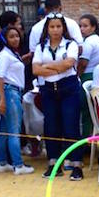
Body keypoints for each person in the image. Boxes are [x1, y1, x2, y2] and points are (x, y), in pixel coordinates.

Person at [32, 13, 83, 180]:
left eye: (58, 27)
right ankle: (54, 163)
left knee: (71, 126)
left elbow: (69, 64)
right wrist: (57, 67)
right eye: (52, 27)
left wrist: (46, 66)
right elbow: (35, 70)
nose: (55, 30)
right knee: (51, 127)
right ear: (47, 28)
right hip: (48, 89)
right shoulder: (41, 46)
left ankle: (76, 164)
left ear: (63, 28)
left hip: (68, 88)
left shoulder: (70, 44)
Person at [0, 25, 34, 175]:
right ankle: (18, 164)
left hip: (12, 91)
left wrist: (23, 60)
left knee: (4, 129)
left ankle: (2, 162)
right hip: (9, 92)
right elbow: (0, 77)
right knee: (14, 130)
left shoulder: (12, 54)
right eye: (11, 36)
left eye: (17, 36)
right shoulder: (4, 55)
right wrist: (2, 99)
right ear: (5, 39)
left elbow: (12, 70)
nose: (15, 39)